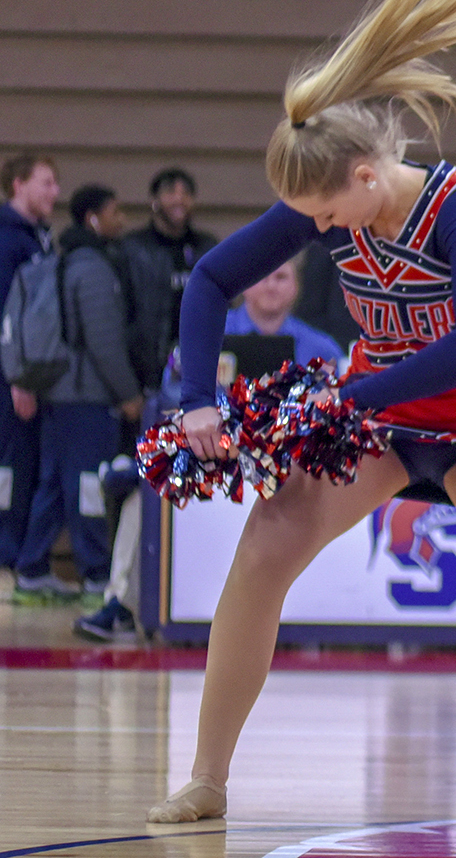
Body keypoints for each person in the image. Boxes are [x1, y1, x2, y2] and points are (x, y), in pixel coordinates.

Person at [146, 0, 456, 831]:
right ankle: (206, 775)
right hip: (376, 422)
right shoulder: (326, 197)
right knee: (262, 552)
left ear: (368, 176)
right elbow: (210, 278)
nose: (315, 227)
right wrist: (195, 399)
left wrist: (346, 397)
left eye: (325, 211)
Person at [75, 254, 345, 643]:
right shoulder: (209, 334)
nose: (271, 285)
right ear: (246, 285)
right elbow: (172, 389)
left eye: (282, 277)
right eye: (263, 276)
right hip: (216, 457)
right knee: (148, 488)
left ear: (296, 287)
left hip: (289, 465)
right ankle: (121, 603)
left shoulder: (322, 348)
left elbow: (339, 411)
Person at [12, 185, 143, 601]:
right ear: (93, 218)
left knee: (51, 482)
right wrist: (128, 393)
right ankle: (95, 574)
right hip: (88, 399)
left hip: (56, 393)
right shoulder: (94, 269)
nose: (120, 220)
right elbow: (104, 341)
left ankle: (31, 567)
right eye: (114, 211)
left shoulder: (55, 262)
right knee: (88, 484)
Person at [0, 152, 60, 599]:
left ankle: (20, 557)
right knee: (10, 468)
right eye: (46, 183)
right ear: (18, 185)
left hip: (31, 376)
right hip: (11, 379)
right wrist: (17, 377)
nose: (54, 193)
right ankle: (6, 558)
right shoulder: (7, 240)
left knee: (28, 468)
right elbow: (7, 317)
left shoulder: (39, 238)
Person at [122, 167, 219, 400]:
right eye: (170, 192)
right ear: (154, 200)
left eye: (186, 193)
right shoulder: (133, 248)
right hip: (146, 373)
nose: (179, 199)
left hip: (197, 368)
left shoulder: (206, 247)